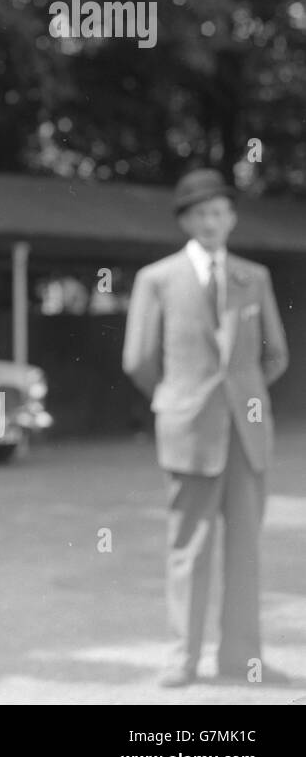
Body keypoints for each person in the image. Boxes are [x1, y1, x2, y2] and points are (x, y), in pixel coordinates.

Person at [122, 167, 291, 688]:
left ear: (232, 218)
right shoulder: (158, 279)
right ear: (185, 221)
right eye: (200, 213)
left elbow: (275, 356)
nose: (211, 221)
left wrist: (243, 398)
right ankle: (183, 658)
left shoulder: (253, 277)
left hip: (246, 434)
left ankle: (242, 658)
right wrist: (178, 402)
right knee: (189, 548)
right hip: (188, 433)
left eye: (219, 212)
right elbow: (139, 360)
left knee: (245, 548)